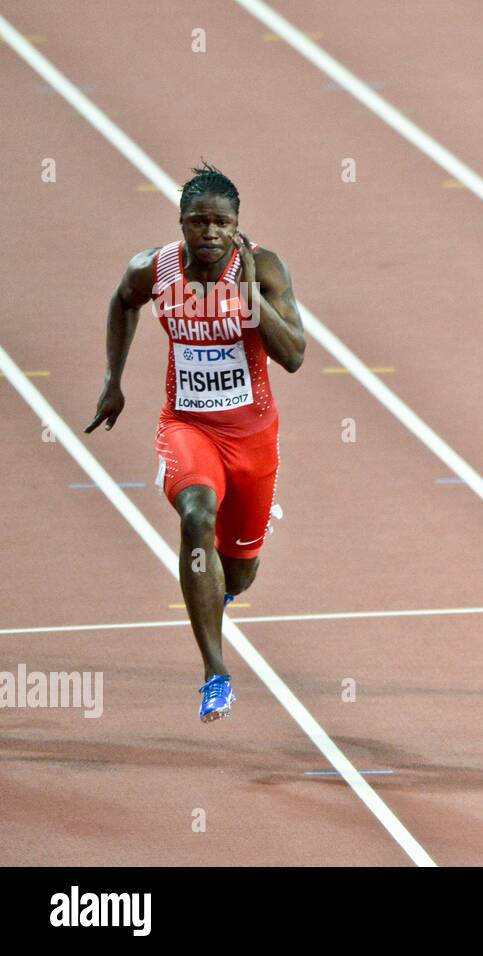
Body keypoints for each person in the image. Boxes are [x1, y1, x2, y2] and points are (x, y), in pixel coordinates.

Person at [86, 163, 306, 722]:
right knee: (196, 514)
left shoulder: (265, 269)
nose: (209, 233)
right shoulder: (154, 269)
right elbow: (121, 301)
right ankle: (216, 672)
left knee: (238, 574)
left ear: (237, 226)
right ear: (181, 224)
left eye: (221, 223)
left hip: (253, 436)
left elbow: (294, 356)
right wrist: (113, 381)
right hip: (187, 426)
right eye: (197, 222)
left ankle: (217, 595)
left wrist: (251, 296)